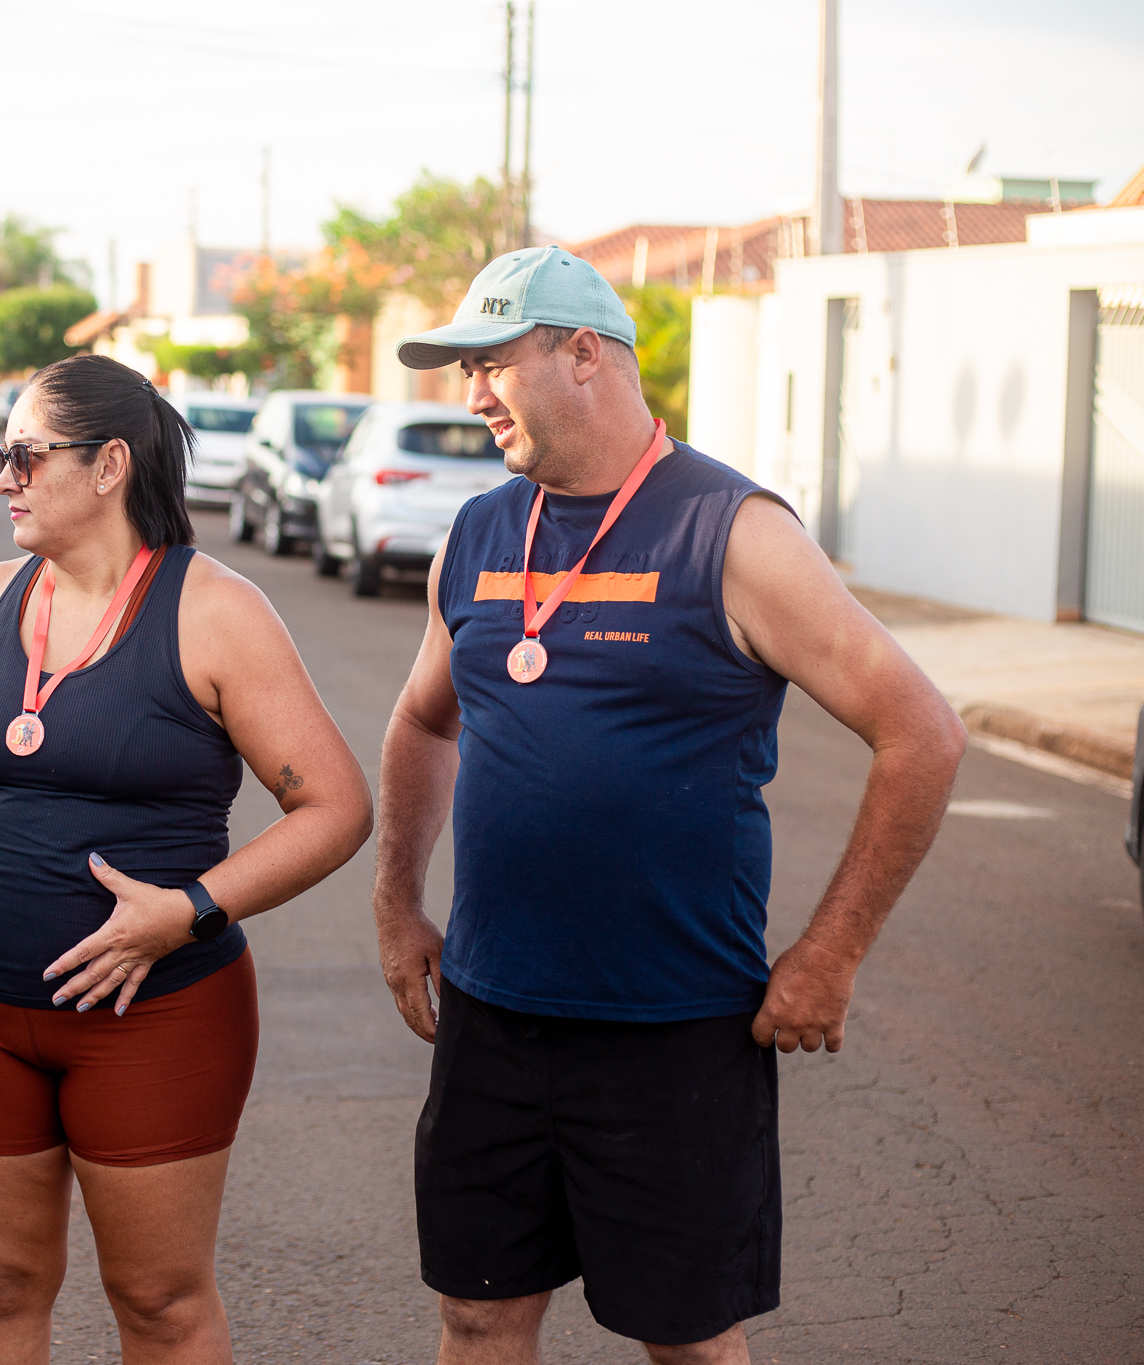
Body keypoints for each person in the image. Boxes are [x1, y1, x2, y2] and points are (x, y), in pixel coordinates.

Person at [371, 247, 966, 1364]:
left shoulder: (732, 531)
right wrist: (396, 901)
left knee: (684, 1339)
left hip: (671, 1030)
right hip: (493, 1016)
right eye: (462, 370)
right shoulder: (480, 531)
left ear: (581, 353)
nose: (469, 394)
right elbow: (419, 721)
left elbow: (920, 733)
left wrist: (829, 954)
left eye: (491, 365)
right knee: (474, 1313)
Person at [0, 352, 372, 1363]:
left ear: (107, 466)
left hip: (153, 1019)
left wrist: (188, 908)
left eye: (23, 455)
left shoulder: (213, 610)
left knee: (157, 1302)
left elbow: (335, 806)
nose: (1, 477)